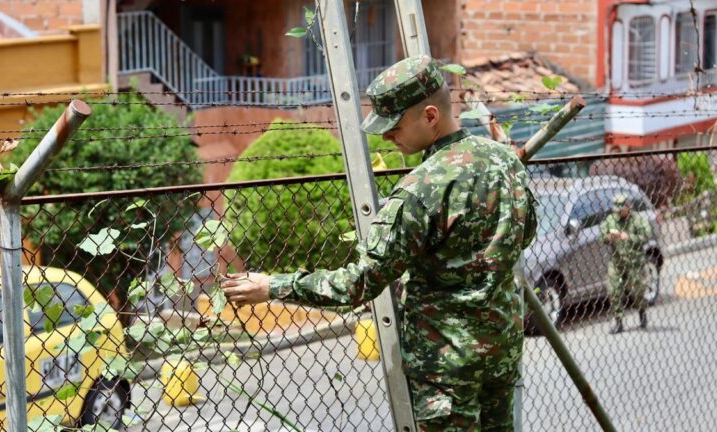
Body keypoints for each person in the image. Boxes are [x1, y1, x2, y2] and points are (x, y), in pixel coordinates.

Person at [221, 55, 537, 431]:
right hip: (500, 350)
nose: (387, 137)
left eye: (395, 126)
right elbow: (526, 233)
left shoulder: (421, 189)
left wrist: (272, 286)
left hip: (447, 368)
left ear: (430, 116)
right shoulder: (505, 161)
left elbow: (359, 283)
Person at [599, 193, 651, 334]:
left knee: (638, 290)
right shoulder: (611, 220)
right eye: (616, 210)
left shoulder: (638, 219)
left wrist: (629, 237)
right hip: (617, 261)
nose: (618, 212)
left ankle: (642, 311)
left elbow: (647, 235)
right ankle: (619, 321)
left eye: (621, 209)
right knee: (613, 289)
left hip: (634, 261)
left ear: (628, 207)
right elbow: (602, 236)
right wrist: (610, 237)